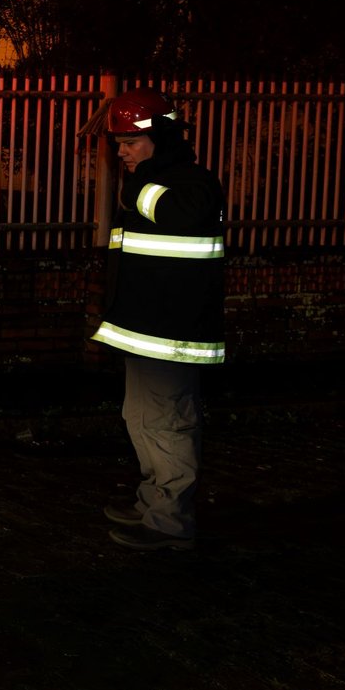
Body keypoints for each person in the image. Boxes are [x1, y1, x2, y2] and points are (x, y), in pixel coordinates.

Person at [92, 88, 226, 552]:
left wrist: (139, 185)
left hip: (173, 335)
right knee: (142, 419)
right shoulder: (155, 182)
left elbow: (179, 216)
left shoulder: (191, 184)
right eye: (119, 144)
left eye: (130, 142)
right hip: (145, 331)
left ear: (162, 138)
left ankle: (169, 523)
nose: (122, 152)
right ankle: (153, 500)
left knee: (167, 423)